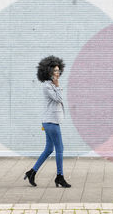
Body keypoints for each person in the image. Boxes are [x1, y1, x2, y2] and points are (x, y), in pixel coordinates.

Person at [24, 55, 71, 188]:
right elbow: (59, 98)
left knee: (49, 149)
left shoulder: (50, 85)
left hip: (50, 121)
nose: (58, 73)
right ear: (48, 72)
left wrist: (56, 85)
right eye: (55, 71)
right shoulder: (47, 86)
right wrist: (58, 85)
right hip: (51, 122)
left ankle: (32, 172)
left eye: (58, 71)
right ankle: (59, 177)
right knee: (60, 149)